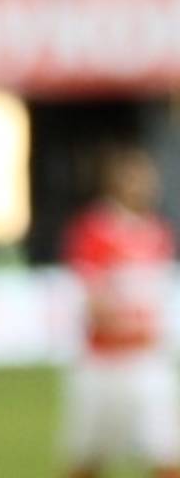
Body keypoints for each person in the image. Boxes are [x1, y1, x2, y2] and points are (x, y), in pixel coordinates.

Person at [61, 146, 180, 478]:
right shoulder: (96, 229)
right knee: (87, 458)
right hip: (104, 362)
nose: (143, 185)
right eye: (134, 177)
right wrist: (121, 320)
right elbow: (91, 297)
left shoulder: (158, 232)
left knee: (166, 453)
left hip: (145, 360)